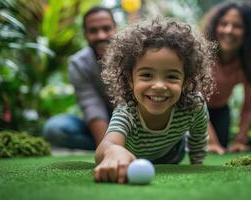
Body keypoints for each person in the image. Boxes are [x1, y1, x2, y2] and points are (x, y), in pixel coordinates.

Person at [92, 17, 215, 183]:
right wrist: (113, 151)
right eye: (147, 75)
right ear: (130, 79)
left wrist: (197, 164)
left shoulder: (194, 105)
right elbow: (106, 146)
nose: (158, 86)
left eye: (171, 77)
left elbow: (198, 136)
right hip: (132, 159)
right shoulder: (127, 111)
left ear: (186, 81)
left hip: (172, 154)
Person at [203, 1, 251, 154]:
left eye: (237, 26)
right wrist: (211, 141)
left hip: (220, 110)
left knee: (222, 145)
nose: (228, 30)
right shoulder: (201, 55)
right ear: (215, 26)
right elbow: (194, 103)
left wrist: (239, 140)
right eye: (223, 23)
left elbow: (249, 107)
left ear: (250, 32)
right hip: (190, 109)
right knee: (199, 147)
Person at [43, 6, 116, 150]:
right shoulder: (78, 63)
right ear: (85, 34)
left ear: (116, 29)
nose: (101, 36)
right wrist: (108, 151)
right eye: (93, 31)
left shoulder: (133, 56)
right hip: (100, 127)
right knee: (54, 128)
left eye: (106, 29)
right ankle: (109, 146)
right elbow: (92, 106)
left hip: (135, 126)